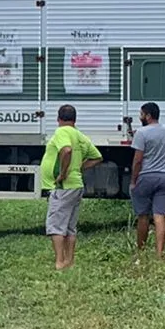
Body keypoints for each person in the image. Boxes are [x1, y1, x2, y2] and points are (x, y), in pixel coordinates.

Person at [40, 104, 104, 271]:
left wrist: (63, 172)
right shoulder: (79, 135)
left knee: (56, 225)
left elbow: (66, 150)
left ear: (58, 119)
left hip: (63, 186)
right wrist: (79, 167)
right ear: (74, 119)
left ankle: (59, 262)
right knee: (70, 226)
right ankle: (69, 261)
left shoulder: (62, 132)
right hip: (76, 185)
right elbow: (97, 157)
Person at [129, 103, 165, 259]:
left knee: (143, 216)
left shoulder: (141, 133)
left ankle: (141, 250)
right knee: (159, 215)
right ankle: (159, 253)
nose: (140, 117)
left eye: (141, 114)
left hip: (146, 176)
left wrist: (134, 180)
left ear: (148, 115)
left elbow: (138, 160)